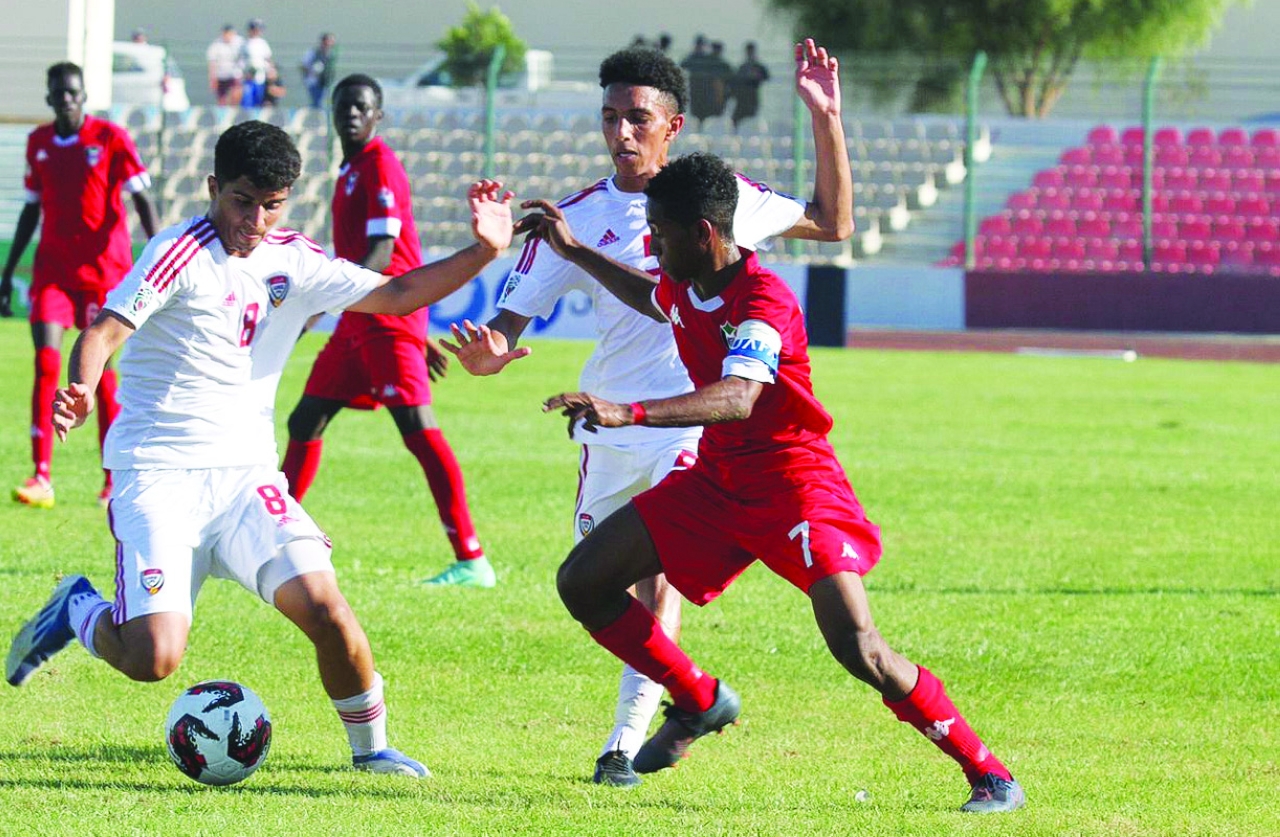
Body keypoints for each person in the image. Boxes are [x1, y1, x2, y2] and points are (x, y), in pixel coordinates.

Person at [4, 120, 515, 779]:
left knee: (327, 608)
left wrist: (484, 251)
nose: (255, 221)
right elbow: (103, 330)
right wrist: (80, 387)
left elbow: (396, 294)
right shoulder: (178, 251)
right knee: (153, 658)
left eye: (272, 205)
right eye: (242, 201)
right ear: (213, 187)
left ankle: (371, 751)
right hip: (159, 477)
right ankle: (77, 605)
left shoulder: (293, 258)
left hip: (246, 479)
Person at [536, 151, 1026, 813]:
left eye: (660, 232)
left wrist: (630, 411)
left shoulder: (764, 299)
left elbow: (738, 396)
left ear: (704, 234)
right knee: (583, 581)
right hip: (717, 481)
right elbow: (650, 298)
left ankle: (990, 773)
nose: (651, 244)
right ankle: (699, 698)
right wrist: (573, 251)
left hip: (795, 487)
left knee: (860, 648)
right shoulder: (685, 281)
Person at [442, 40, 853, 786]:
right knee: (594, 585)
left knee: (656, 580)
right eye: (610, 117)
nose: (621, 132)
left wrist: (826, 118)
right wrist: (486, 353)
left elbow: (832, 221)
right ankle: (695, 698)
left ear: (672, 125)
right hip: (606, 428)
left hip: (684, 424)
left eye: (637, 118)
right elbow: (504, 327)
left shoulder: (719, 200)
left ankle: (624, 744)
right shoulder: (575, 217)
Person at [282, 75, 492, 588]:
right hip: (361, 316)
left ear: (379, 116)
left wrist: (324, 303)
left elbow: (382, 252)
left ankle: (472, 558)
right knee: (305, 419)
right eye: (344, 106)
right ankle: (274, 530)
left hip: (384, 314)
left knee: (417, 429)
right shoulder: (350, 168)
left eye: (362, 107)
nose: (351, 114)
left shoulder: (380, 165)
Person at [1, 62, 158, 509]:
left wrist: (158, 257)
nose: (67, 99)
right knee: (46, 362)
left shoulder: (110, 138)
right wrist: (8, 271)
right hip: (53, 271)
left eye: (74, 92)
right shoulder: (39, 143)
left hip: (102, 274)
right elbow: (31, 209)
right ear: (50, 99)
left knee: (99, 373)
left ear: (84, 96)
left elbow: (142, 198)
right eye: (60, 93)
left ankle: (112, 479)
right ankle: (41, 476)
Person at [729, 42, 770, 131]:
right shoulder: (743, 67)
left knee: (751, 118)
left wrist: (756, 77)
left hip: (752, 97)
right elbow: (736, 80)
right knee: (736, 119)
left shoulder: (758, 66)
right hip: (742, 98)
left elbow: (766, 77)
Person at [206, 24, 243, 106]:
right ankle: (223, 111)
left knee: (236, 93)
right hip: (221, 75)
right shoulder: (216, 45)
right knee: (222, 98)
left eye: (230, 33)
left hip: (234, 74)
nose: (228, 36)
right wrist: (213, 78)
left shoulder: (240, 43)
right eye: (226, 33)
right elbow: (212, 63)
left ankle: (233, 108)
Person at [239, 18, 273, 109]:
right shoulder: (244, 44)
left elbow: (268, 59)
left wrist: (270, 71)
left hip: (260, 76)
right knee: (248, 100)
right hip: (248, 78)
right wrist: (244, 73)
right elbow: (241, 61)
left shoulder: (263, 43)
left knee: (259, 99)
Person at [299, 33, 337, 109]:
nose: (332, 43)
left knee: (322, 102)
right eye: (330, 41)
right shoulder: (313, 53)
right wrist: (313, 72)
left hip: (324, 82)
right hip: (313, 82)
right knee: (317, 103)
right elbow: (303, 65)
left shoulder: (329, 54)